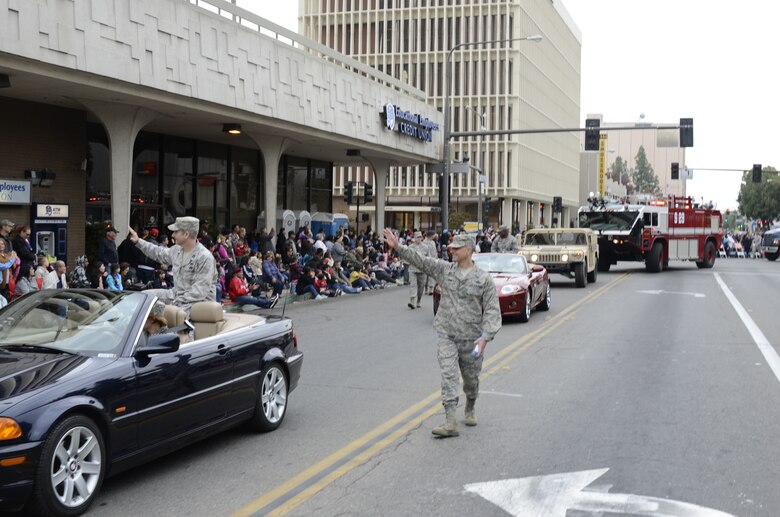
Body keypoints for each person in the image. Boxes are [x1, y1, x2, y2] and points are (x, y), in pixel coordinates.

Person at [383, 228, 501, 438]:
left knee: (471, 380)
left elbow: (492, 310)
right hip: (447, 334)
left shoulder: (483, 280)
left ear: (469, 250)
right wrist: (398, 247)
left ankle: (470, 405)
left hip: (471, 338)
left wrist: (485, 338)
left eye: (457, 248)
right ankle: (450, 421)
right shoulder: (445, 270)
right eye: (452, 247)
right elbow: (421, 261)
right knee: (448, 375)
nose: (452, 250)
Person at [128, 216, 217, 315]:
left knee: (166, 312)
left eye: (176, 232)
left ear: (186, 234)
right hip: (177, 295)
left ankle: (163, 327)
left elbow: (198, 292)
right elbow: (158, 252)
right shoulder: (177, 250)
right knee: (144, 298)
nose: (173, 235)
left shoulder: (204, 257)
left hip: (197, 303)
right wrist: (138, 241)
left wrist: (172, 305)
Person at [407, 231, 432, 309]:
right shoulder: (411, 247)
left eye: (420, 237)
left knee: (421, 287)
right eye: (417, 237)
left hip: (422, 270)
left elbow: (429, 258)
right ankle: (412, 302)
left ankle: (418, 301)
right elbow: (406, 256)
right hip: (412, 269)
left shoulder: (426, 247)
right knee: (413, 285)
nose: (419, 239)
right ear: (414, 238)